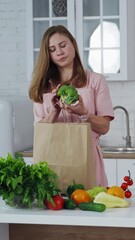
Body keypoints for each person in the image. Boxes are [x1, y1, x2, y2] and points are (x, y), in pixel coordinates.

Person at [29, 25, 114, 187]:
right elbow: (40, 134)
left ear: (73, 44)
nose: (59, 52)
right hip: (53, 160)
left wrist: (84, 113)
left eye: (63, 45)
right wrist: (54, 111)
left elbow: (104, 127)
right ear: (48, 55)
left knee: (90, 204)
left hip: (87, 158)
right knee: (56, 209)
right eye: (52, 49)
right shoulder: (41, 88)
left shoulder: (96, 81)